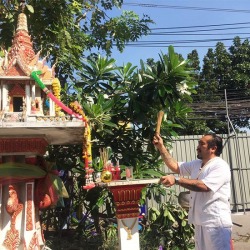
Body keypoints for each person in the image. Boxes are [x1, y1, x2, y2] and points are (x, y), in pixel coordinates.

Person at [153, 133, 233, 250]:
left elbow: (204, 186)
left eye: (202, 144)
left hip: (216, 224)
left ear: (213, 148)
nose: (198, 147)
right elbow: (175, 166)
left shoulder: (220, 166)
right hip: (200, 223)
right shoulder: (197, 164)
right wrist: (161, 147)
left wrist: (176, 180)